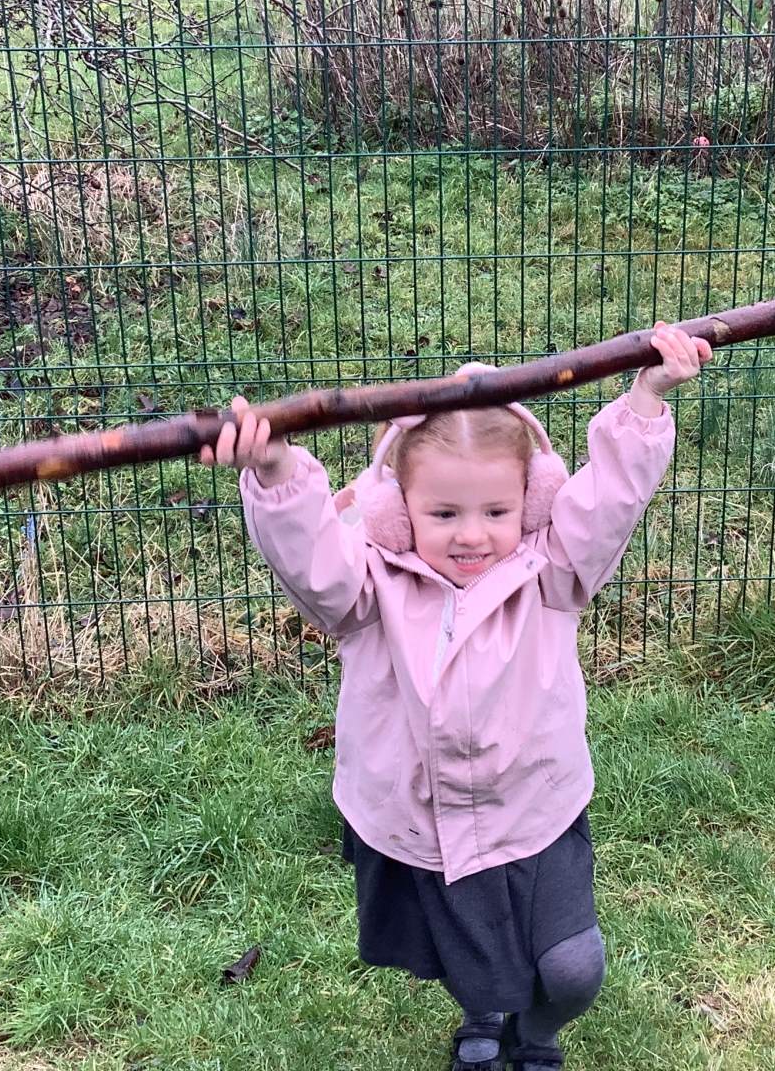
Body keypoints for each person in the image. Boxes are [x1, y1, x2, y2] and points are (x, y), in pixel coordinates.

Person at [199, 325, 712, 1070]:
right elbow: (313, 567)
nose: (472, 536)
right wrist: (276, 469)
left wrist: (646, 400)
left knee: (573, 969)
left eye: (496, 512)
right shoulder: (368, 585)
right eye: (443, 514)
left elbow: (610, 503)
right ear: (395, 505)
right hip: (421, 819)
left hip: (533, 812)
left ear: (531, 502)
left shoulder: (554, 571)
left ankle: (534, 1035)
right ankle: (483, 1010)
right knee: (467, 957)